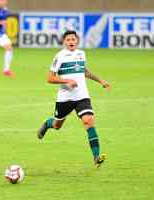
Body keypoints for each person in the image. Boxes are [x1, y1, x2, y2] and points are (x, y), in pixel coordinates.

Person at [37, 30, 111, 167]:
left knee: (88, 121)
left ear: (77, 41)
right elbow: (50, 78)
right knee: (57, 125)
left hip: (82, 96)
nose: (71, 42)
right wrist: (66, 81)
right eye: (68, 40)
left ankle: (96, 157)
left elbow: (85, 71)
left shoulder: (81, 54)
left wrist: (101, 80)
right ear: (64, 42)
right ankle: (48, 124)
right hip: (65, 98)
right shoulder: (59, 57)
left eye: (73, 39)